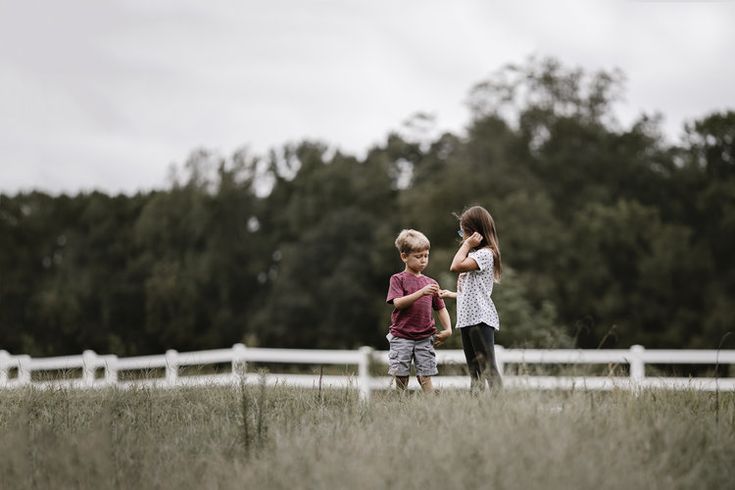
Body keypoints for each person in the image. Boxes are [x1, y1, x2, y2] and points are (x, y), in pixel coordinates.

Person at [440, 206, 503, 391]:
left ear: (475, 233)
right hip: (467, 319)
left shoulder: (485, 254)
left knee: (489, 369)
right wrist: (452, 294)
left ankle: (502, 406)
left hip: (480, 319)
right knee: (474, 371)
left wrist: (467, 244)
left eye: (463, 232)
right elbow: (472, 291)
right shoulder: (476, 256)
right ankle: (477, 409)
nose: (462, 237)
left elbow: (455, 266)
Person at [386, 229, 452, 393]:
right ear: (404, 256)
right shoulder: (398, 279)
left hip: (425, 337)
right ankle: (400, 404)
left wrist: (448, 330)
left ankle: (430, 405)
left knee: (426, 375)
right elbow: (398, 303)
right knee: (401, 375)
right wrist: (421, 292)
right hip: (402, 335)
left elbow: (441, 308)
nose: (423, 260)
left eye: (426, 255)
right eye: (418, 256)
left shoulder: (431, 282)